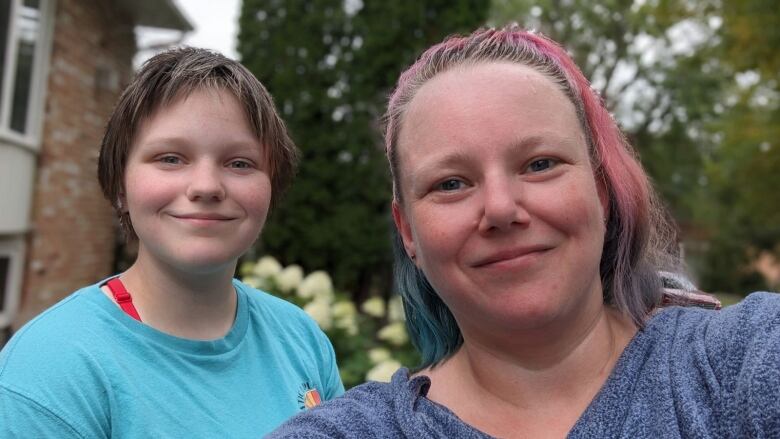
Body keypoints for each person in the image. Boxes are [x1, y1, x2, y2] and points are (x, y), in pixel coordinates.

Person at [269, 26, 780, 438]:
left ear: (601, 192)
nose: (501, 208)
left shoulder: (739, 363)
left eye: (539, 164)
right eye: (451, 183)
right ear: (408, 233)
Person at [0, 47, 343, 437]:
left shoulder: (300, 338)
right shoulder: (48, 372)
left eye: (240, 163)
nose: (206, 186)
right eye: (170, 158)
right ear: (121, 188)